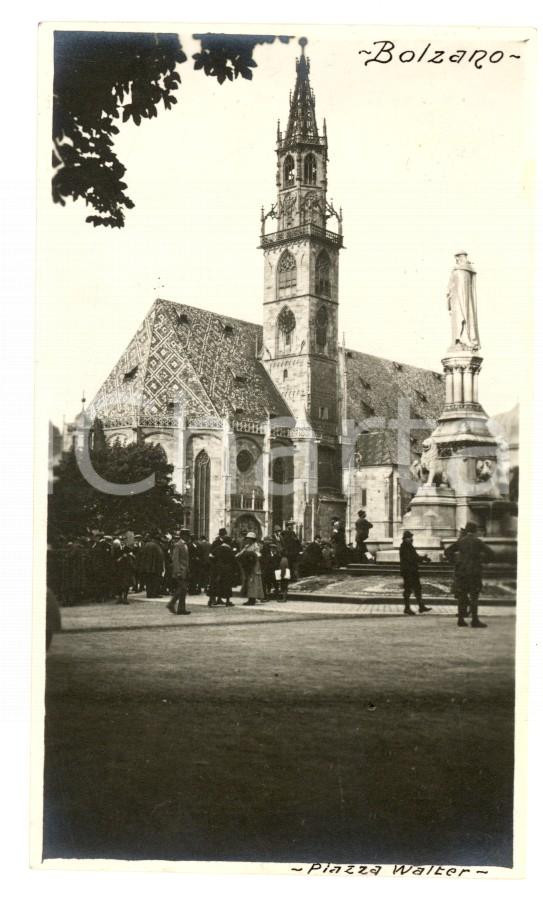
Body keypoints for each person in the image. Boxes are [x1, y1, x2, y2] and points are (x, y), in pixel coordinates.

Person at [444, 521, 494, 628]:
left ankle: (461, 619)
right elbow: (491, 553)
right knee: (474, 596)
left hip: (461, 572)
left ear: (466, 530)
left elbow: (448, 551)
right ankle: (474, 620)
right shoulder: (477, 542)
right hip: (474, 572)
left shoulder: (461, 541)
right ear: (475, 530)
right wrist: (483, 560)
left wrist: (455, 561)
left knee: (462, 595)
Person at [399, 530, 432, 615]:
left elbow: (415, 556)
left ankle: (421, 607)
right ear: (405, 538)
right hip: (408, 572)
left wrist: (423, 558)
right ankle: (407, 608)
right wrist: (422, 559)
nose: (411, 539)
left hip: (412, 571)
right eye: (410, 537)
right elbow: (411, 558)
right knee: (408, 590)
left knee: (417, 588)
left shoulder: (409, 546)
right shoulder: (404, 547)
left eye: (411, 537)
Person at [208, 531, 238, 607]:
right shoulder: (229, 550)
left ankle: (211, 601)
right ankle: (227, 601)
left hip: (217, 569)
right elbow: (233, 560)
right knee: (227, 585)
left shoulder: (218, 548)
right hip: (227, 570)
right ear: (229, 542)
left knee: (215, 584)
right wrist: (235, 570)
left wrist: (214, 563)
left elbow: (211, 556)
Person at [236, 532, 265, 606]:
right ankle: (250, 598)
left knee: (253, 582)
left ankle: (253, 599)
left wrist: (251, 556)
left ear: (253, 539)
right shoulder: (246, 546)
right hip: (247, 566)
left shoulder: (256, 546)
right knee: (248, 582)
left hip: (254, 565)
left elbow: (258, 555)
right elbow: (240, 553)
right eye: (247, 539)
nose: (248, 540)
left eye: (249, 539)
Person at [167, 530, 191, 615]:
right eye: (187, 535)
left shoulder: (185, 545)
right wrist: (177, 572)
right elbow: (175, 559)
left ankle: (181, 609)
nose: (189, 537)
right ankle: (171, 604)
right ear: (183, 536)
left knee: (183, 590)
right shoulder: (178, 545)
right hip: (180, 571)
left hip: (184, 571)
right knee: (182, 588)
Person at [140, 532, 165, 598]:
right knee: (155, 581)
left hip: (148, 567)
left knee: (148, 581)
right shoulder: (156, 546)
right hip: (155, 567)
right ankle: (154, 593)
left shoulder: (147, 544)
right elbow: (157, 557)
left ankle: (149, 593)